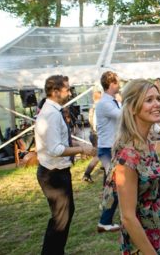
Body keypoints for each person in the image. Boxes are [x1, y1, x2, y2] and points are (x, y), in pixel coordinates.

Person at [101, 78, 160, 254]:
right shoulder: (128, 157)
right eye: (149, 100)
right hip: (141, 245)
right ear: (132, 108)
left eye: (158, 98)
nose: (157, 104)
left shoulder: (145, 143)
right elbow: (128, 218)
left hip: (154, 237)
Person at [35, 74, 96, 255]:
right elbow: (55, 149)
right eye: (67, 89)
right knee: (60, 219)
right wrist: (81, 149)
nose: (70, 93)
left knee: (64, 215)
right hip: (53, 174)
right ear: (55, 91)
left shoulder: (53, 110)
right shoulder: (51, 114)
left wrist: (76, 146)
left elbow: (58, 142)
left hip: (56, 171)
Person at [92, 71, 123, 233]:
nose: (120, 85)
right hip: (107, 150)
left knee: (113, 186)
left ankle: (110, 218)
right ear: (111, 84)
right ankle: (105, 221)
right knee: (115, 186)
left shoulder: (111, 101)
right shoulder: (105, 103)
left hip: (111, 148)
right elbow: (121, 116)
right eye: (118, 82)